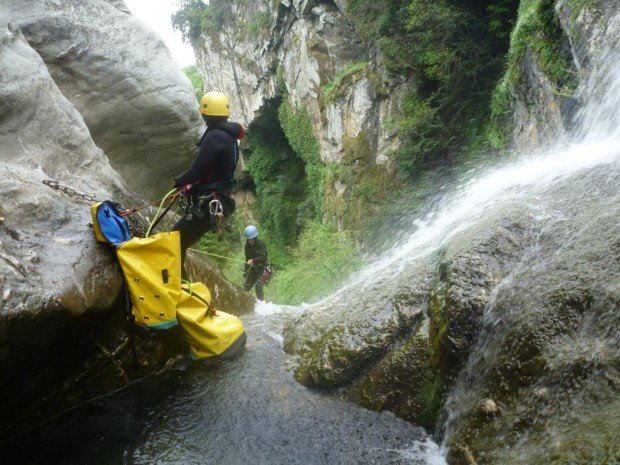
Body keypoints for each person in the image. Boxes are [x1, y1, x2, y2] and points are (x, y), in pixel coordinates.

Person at [172, 91, 245, 262]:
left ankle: (178, 285)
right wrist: (193, 187)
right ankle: (180, 284)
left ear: (205, 114)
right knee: (178, 241)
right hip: (219, 199)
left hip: (211, 202)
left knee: (174, 240)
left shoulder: (214, 136)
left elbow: (197, 170)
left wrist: (179, 182)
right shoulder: (228, 136)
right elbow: (212, 172)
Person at [243, 225, 269, 301]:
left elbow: (263, 257)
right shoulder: (247, 247)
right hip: (254, 269)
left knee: (258, 286)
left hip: (264, 269)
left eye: (251, 239)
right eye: (248, 240)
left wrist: (253, 260)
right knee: (245, 287)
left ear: (255, 238)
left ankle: (261, 304)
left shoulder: (261, 244)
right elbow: (247, 260)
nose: (250, 241)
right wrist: (246, 271)